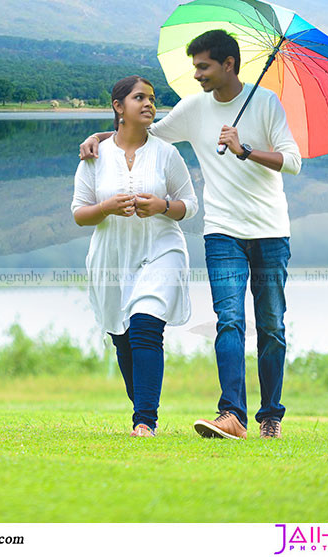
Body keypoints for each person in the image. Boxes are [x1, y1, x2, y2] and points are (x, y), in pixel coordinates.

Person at [79, 29, 301, 440]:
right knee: (229, 321)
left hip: (271, 231)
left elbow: (293, 161)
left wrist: (245, 150)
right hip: (221, 232)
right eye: (195, 66)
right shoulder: (194, 108)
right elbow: (147, 133)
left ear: (228, 65)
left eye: (203, 66)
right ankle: (231, 413)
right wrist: (98, 137)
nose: (196, 74)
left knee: (271, 326)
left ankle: (270, 415)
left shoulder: (267, 103)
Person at [72, 75, 197, 437]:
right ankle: (141, 400)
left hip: (162, 250)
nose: (149, 104)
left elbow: (190, 206)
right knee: (124, 340)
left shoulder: (166, 153)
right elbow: (79, 213)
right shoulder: (94, 156)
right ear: (118, 107)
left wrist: (163, 205)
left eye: (152, 99)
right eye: (139, 98)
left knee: (146, 327)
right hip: (111, 257)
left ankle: (145, 421)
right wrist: (107, 207)